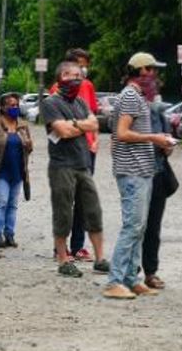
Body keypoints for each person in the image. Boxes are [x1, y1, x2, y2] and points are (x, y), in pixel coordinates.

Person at [106, 52, 175, 299]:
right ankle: (115, 280)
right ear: (141, 71)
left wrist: (160, 142)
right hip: (132, 171)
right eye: (152, 70)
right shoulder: (130, 97)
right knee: (132, 226)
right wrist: (153, 138)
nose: (155, 75)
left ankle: (131, 278)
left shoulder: (137, 97)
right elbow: (122, 133)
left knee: (140, 227)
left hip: (142, 170)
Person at [40, 61, 109, 277]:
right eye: (70, 75)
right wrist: (81, 125)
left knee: (93, 212)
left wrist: (74, 124)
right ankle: (63, 260)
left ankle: (100, 259)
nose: (76, 78)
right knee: (63, 214)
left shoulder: (80, 101)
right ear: (60, 77)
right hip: (62, 166)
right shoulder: (50, 103)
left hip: (83, 164)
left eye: (79, 75)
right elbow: (62, 131)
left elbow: (95, 124)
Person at [56, 48, 100, 262]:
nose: (84, 69)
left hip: (87, 150)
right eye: (80, 64)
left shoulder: (88, 86)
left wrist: (95, 140)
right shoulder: (58, 87)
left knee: (84, 200)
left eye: (85, 65)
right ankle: (61, 248)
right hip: (66, 150)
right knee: (65, 199)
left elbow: (93, 118)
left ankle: (78, 246)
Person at [0, 93, 33, 248]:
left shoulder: (22, 125)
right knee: (1, 202)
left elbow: (27, 149)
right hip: (0, 170)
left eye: (16, 105)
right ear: (2, 107)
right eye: (11, 105)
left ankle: (9, 234)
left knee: (13, 204)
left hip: (18, 171)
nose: (14, 107)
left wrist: (29, 145)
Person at [140, 87, 175, 290]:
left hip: (158, 172)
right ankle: (131, 269)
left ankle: (150, 271)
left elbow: (168, 144)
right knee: (137, 225)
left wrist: (167, 146)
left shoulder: (158, 113)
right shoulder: (130, 108)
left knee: (154, 225)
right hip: (136, 173)